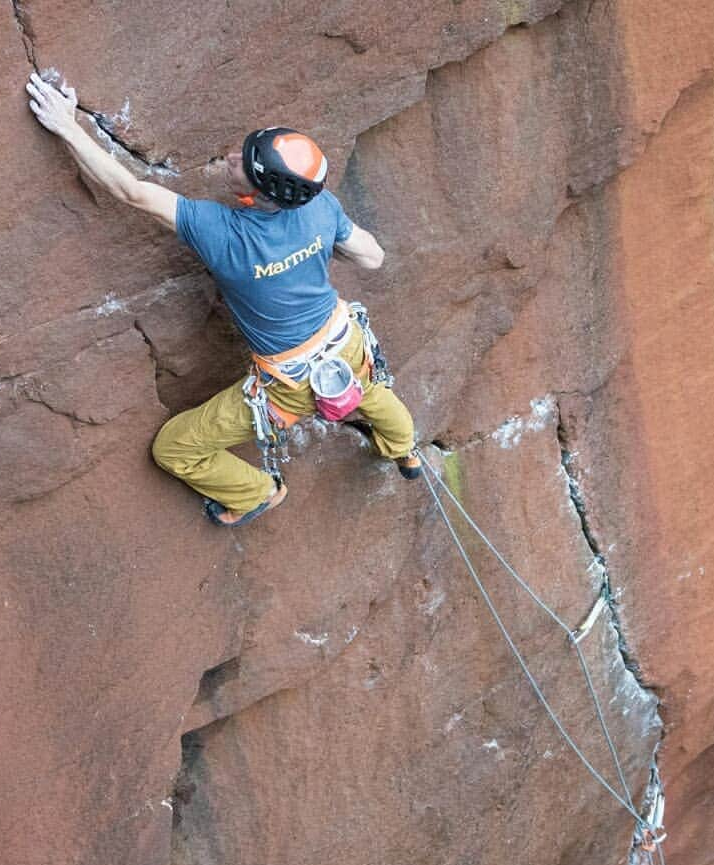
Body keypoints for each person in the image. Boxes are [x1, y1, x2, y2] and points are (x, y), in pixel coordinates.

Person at [26, 71, 420, 526]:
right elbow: (371, 258)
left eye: (240, 164)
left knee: (174, 448)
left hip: (287, 386)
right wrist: (319, 244)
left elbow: (131, 192)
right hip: (346, 343)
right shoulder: (320, 208)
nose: (231, 158)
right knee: (370, 389)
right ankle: (404, 449)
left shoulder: (221, 232)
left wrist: (67, 126)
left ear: (256, 194)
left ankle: (257, 492)